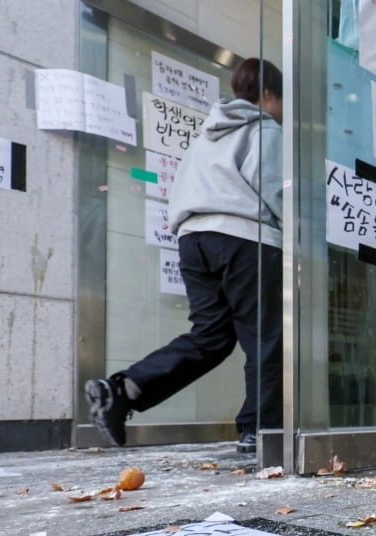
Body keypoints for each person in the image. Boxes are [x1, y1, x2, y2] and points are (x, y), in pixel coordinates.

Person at [84, 58, 284, 454]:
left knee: (211, 336)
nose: (281, 108)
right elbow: (277, 193)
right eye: (280, 99)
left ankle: (123, 389)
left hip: (193, 240)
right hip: (244, 239)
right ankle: (260, 430)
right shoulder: (265, 129)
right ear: (267, 94)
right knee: (265, 337)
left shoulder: (206, 134)